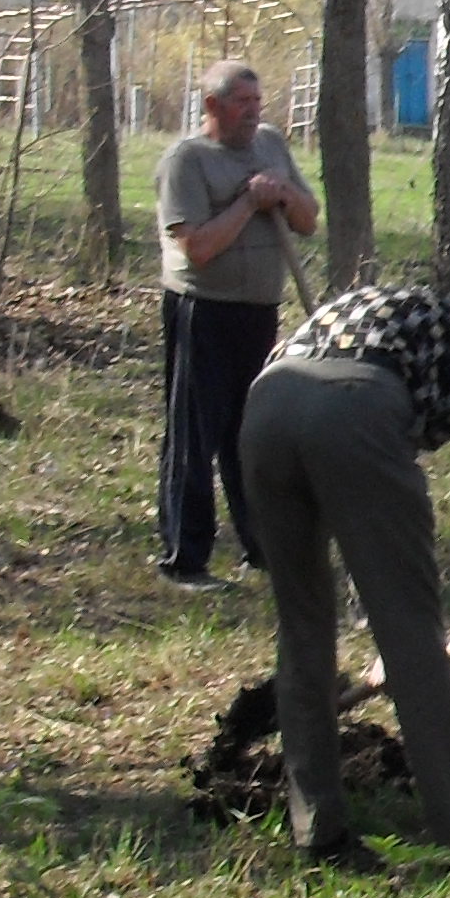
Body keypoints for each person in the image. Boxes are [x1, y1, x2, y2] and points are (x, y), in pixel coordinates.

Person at [240, 281, 450, 864]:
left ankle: (318, 831)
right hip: (355, 408)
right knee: (413, 634)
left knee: (302, 628)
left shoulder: (383, 309)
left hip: (266, 406)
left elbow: (344, 501)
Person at [155, 62, 318, 589]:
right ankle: (186, 557)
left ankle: (261, 546)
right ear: (212, 106)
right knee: (194, 435)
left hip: (258, 311)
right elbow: (198, 248)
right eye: (242, 101)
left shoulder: (270, 144)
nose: (254, 111)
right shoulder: (187, 161)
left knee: (250, 435)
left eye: (257, 99)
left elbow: (308, 218)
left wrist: (283, 196)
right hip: (203, 309)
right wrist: (249, 201)